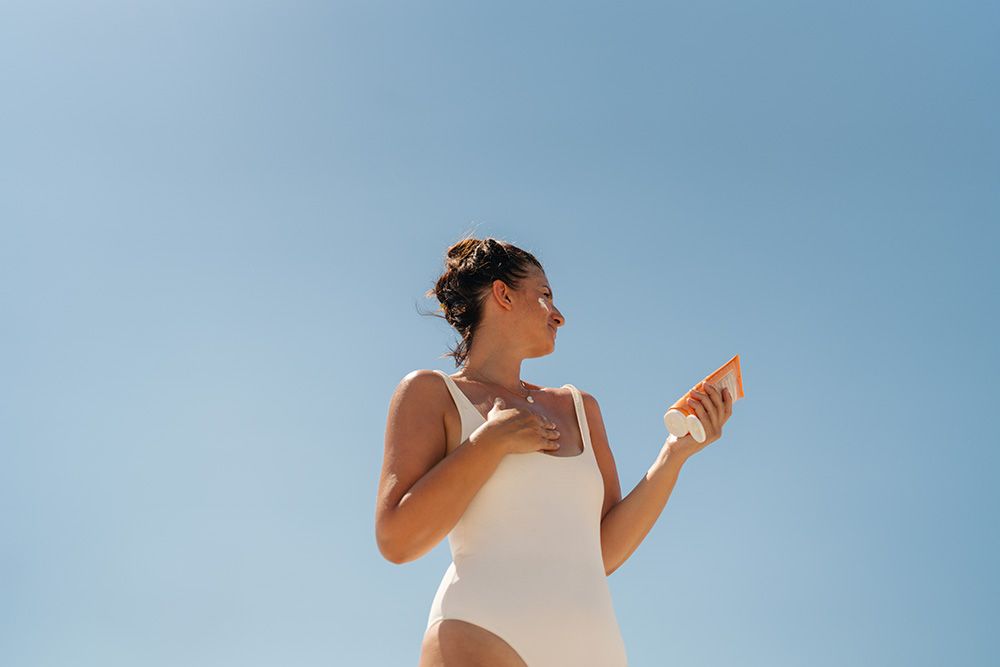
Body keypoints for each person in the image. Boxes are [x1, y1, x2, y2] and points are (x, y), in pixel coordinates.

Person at [375, 236, 734, 666]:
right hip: (483, 633)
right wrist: (489, 442)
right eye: (544, 295)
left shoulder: (580, 407)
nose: (559, 315)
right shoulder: (432, 393)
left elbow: (601, 551)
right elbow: (397, 540)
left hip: (596, 649)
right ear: (503, 294)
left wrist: (675, 454)